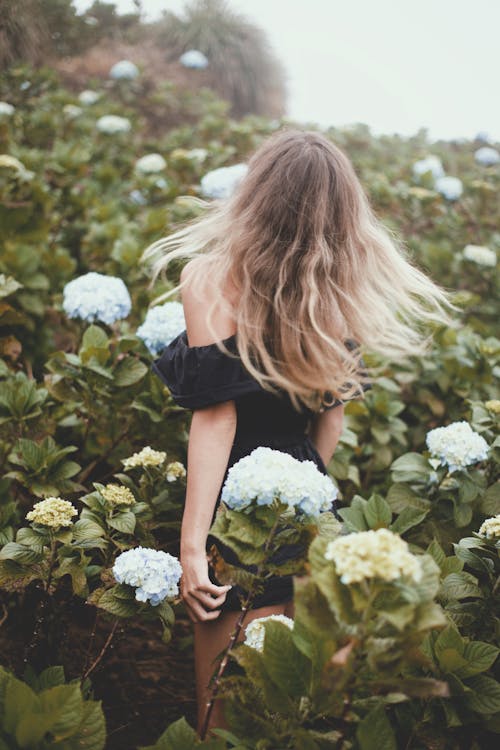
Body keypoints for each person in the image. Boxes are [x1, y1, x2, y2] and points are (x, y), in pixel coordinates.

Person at [141, 128, 456, 735]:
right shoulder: (334, 297)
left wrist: (193, 546)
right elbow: (330, 417)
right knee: (294, 703)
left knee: (222, 714)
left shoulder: (208, 279)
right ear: (342, 214)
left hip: (234, 509)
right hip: (305, 502)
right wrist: (303, 494)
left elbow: (217, 417)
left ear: (255, 194)